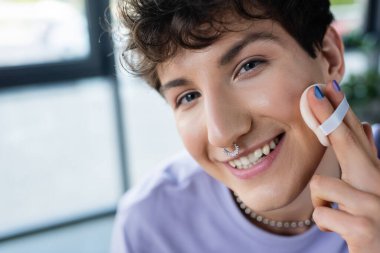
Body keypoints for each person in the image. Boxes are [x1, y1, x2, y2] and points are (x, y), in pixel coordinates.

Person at [111, 0, 380, 252]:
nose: (222, 134)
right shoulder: (150, 227)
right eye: (188, 97)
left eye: (249, 66)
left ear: (329, 57)